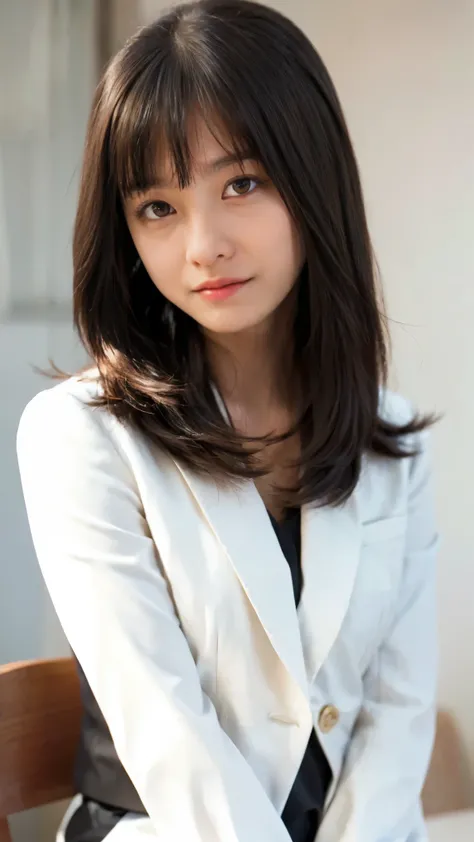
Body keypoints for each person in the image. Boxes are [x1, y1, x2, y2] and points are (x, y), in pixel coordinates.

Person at [16, 1, 439, 840]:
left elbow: (398, 719)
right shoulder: (80, 435)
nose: (202, 244)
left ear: (313, 178)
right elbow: (167, 739)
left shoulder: (393, 439)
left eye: (241, 183)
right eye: (157, 208)